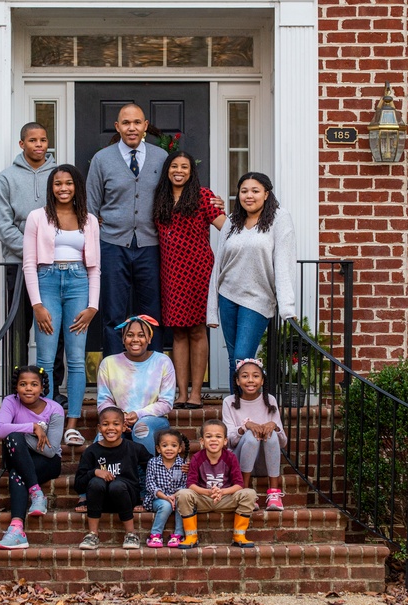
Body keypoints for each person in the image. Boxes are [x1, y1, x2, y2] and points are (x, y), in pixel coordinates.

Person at [22, 165, 100, 447]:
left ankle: (71, 424)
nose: (63, 188)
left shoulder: (89, 220)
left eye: (69, 183)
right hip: (47, 281)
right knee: (45, 359)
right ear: (51, 187)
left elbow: (95, 267)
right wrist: (37, 304)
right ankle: (47, 421)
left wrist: (93, 306)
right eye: (57, 184)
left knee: (77, 359)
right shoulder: (37, 217)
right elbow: (29, 264)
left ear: (76, 186)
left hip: (79, 281)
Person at [86, 104, 168, 357]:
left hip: (151, 245)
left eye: (137, 122)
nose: (131, 128)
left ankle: (152, 375)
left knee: (152, 313)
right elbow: (91, 205)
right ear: (117, 126)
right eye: (126, 123)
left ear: (145, 126)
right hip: (112, 244)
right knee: (112, 313)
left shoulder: (161, 157)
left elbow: (176, 194)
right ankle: (114, 376)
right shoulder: (102, 159)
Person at [207, 171, 297, 392]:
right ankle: (235, 412)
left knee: (242, 357)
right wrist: (212, 308)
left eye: (255, 191)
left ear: (266, 194)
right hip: (228, 296)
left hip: (257, 299)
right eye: (244, 191)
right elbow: (219, 264)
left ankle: (249, 410)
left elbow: (284, 263)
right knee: (233, 360)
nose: (249, 196)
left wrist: (287, 307)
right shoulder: (232, 222)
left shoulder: (279, 218)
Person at [0, 122, 65, 400]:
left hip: (54, 266)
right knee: (19, 331)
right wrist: (32, 253)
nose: (39, 145)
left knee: (53, 330)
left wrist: (50, 253)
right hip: (19, 266)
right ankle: (18, 390)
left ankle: (51, 389)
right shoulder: (7, 178)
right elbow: (4, 225)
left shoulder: (58, 176)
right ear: (22, 144)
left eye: (43, 140)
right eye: (33, 140)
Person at [153, 150, 226, 409]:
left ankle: (196, 393)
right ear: (167, 170)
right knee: (178, 332)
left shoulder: (203, 196)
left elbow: (226, 228)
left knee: (196, 329)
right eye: (174, 166)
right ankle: (181, 394)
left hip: (198, 270)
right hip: (171, 273)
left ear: (191, 171)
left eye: (184, 166)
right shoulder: (159, 198)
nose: (179, 171)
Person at [0, 366, 64, 550]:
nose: (28, 388)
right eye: (23, 384)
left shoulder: (55, 409)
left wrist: (22, 436)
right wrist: (33, 427)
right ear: (16, 387)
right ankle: (36, 493)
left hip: (48, 462)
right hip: (17, 455)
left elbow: (50, 450)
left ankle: (17, 529)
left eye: (34, 384)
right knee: (13, 438)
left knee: (17, 473)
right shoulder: (11, 402)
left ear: (42, 388)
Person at [95, 314, 175, 456]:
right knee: (104, 435)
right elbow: (103, 401)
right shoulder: (108, 363)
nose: (135, 340)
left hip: (153, 420)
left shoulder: (163, 362)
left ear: (149, 338)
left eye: (141, 335)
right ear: (123, 339)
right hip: (119, 420)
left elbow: (166, 403)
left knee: (141, 429)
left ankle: (147, 475)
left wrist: (138, 414)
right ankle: (101, 475)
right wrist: (119, 418)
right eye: (130, 335)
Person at [74, 407, 152, 550]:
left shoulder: (135, 448)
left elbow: (154, 467)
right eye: (105, 424)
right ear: (99, 428)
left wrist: (146, 496)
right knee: (96, 482)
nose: (111, 428)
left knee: (117, 486)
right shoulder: (91, 452)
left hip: (126, 497)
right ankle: (92, 534)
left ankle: (130, 534)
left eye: (116, 424)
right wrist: (94, 472)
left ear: (123, 427)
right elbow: (78, 485)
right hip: (100, 501)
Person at [175, 419, 258, 549]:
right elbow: (191, 484)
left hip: (225, 499)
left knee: (249, 493)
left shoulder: (230, 458)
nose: (213, 440)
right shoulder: (197, 457)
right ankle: (191, 536)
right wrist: (208, 492)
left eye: (218, 436)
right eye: (209, 437)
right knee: (183, 494)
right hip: (203, 498)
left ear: (225, 441)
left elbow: (239, 484)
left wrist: (222, 492)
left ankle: (239, 536)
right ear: (202, 441)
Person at [222, 358, 287, 511]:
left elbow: (283, 442)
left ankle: (274, 493)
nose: (250, 380)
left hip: (265, 463)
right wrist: (245, 427)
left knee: (270, 435)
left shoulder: (270, 401)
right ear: (237, 381)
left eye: (256, 376)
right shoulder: (229, 402)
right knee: (252, 436)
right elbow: (228, 441)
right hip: (239, 461)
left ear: (262, 381)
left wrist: (275, 426)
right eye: (245, 376)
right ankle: (244, 492)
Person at [143, 429, 189, 548]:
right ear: (158, 449)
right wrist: (165, 497)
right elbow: (150, 484)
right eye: (165, 445)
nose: (169, 449)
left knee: (182, 502)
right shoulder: (153, 463)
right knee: (166, 505)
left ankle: (178, 535)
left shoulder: (183, 464)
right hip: (157, 498)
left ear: (179, 449)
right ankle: (155, 535)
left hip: (176, 497)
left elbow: (186, 484)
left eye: (173, 446)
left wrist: (174, 496)